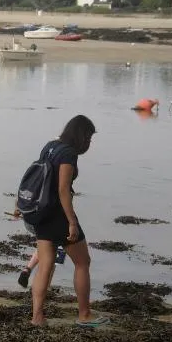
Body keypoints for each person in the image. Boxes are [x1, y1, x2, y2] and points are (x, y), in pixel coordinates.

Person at [25, 115, 108, 328]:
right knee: (82, 262)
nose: (89, 142)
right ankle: (84, 315)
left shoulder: (50, 146)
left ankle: (37, 317)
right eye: (88, 137)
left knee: (45, 265)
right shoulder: (69, 154)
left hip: (41, 213)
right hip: (59, 216)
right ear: (81, 135)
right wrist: (71, 221)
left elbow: (37, 177)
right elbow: (63, 189)